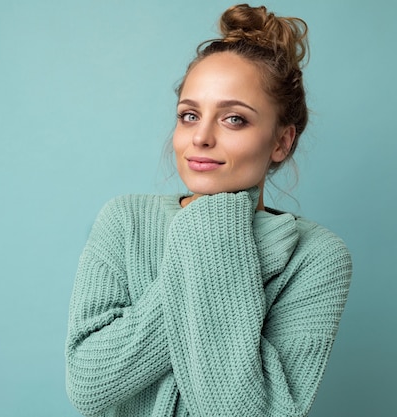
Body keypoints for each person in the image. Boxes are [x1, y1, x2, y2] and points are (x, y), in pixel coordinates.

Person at [65, 4, 352, 416]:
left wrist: (213, 232)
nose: (200, 137)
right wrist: (227, 255)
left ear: (281, 142)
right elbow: (90, 384)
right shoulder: (125, 221)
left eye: (234, 119)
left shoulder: (315, 257)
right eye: (189, 115)